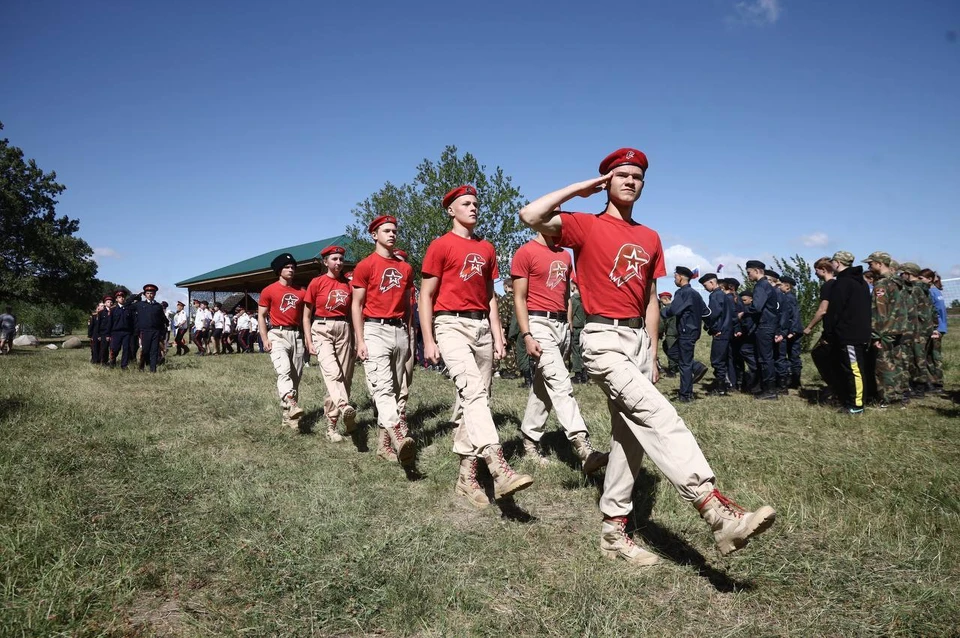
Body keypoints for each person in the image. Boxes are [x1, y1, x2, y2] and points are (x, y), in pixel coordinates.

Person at [520, 148, 775, 566]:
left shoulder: (650, 237)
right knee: (659, 415)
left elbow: (652, 298)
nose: (631, 181)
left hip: (638, 340)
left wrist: (653, 352)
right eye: (621, 175)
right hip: (602, 339)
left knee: (630, 438)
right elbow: (531, 215)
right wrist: (582, 190)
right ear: (606, 181)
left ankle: (613, 534)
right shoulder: (584, 225)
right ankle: (715, 510)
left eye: (638, 176)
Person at [420, 184, 533, 508]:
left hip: (481, 327)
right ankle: (498, 466)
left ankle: (465, 478)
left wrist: (498, 335)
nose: (473, 208)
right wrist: (428, 339)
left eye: (475, 203)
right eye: (466, 203)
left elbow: (489, 295)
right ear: (451, 210)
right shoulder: (440, 246)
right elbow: (425, 295)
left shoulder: (486, 248)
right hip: (450, 324)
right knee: (472, 392)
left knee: (476, 399)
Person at [512, 232, 608, 472]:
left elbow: (566, 293)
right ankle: (583, 447)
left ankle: (529, 441)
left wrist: (568, 326)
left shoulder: (565, 255)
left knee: (544, 388)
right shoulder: (526, 252)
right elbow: (519, 297)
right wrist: (527, 334)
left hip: (561, 327)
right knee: (561, 382)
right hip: (538, 323)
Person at [351, 215, 417, 466]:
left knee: (398, 389)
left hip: (399, 331)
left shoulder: (406, 269)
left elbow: (408, 306)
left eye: (394, 230)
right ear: (374, 235)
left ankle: (383, 445)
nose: (392, 234)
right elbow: (356, 306)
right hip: (375, 329)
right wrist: (360, 340)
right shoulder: (365, 266)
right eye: (386, 230)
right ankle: (398, 434)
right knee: (382, 387)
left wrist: (409, 336)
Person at [303, 245, 357, 441]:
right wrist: (309, 341)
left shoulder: (348, 285)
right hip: (322, 328)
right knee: (332, 372)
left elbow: (353, 314)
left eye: (341, 259)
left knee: (343, 378)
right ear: (325, 262)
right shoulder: (316, 283)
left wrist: (356, 340)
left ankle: (332, 426)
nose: (339, 262)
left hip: (344, 329)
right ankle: (343, 406)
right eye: (334, 259)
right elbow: (306, 315)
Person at [259, 253, 307, 430]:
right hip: (277, 335)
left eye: (293, 266)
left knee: (295, 378)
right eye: (287, 267)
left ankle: (289, 416)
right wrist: (265, 339)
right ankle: (291, 403)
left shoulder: (301, 292)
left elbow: (305, 318)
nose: (291, 269)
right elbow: (261, 316)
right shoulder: (269, 290)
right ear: (279, 270)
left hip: (297, 336)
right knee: (284, 371)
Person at [822, 251, 871, 414]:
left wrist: (828, 331)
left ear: (837, 263)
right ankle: (848, 398)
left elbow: (835, 310)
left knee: (854, 369)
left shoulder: (843, 283)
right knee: (850, 368)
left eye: (832, 263)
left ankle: (857, 405)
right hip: (856, 332)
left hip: (849, 334)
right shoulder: (861, 282)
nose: (831, 266)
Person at [863, 251, 908, 407]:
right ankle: (899, 394)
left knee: (884, 365)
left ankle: (888, 398)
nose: (869, 266)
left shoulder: (881, 284)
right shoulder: (898, 282)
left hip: (885, 331)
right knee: (897, 363)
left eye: (871, 263)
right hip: (899, 329)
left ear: (879, 263)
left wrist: (876, 335)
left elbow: (879, 311)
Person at [661, 266, 707, 402]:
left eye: (675, 277)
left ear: (680, 277)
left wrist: (661, 313)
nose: (674, 279)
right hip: (692, 331)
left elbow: (674, 310)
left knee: (685, 364)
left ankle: (685, 396)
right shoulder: (695, 294)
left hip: (686, 331)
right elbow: (705, 311)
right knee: (672, 351)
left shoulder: (683, 292)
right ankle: (696, 366)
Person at [900, 263, 938, 398]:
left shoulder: (914, 289)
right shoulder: (924, 288)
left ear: (908, 274)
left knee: (916, 359)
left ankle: (920, 388)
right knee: (921, 358)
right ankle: (927, 384)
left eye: (902, 273)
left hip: (917, 329)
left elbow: (910, 311)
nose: (901, 276)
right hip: (925, 327)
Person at [743, 261, 779, 400]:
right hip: (767, 324)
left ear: (757, 271)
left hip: (765, 325)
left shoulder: (761, 286)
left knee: (765, 358)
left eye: (749, 272)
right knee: (765, 357)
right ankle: (766, 387)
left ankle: (770, 390)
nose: (748, 276)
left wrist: (744, 313)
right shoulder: (766, 285)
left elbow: (757, 307)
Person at [805, 257, 838, 401]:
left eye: (816, 271)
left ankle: (834, 386)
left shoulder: (827, 286)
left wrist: (809, 327)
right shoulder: (838, 285)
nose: (816, 274)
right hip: (836, 328)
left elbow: (822, 310)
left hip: (830, 330)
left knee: (819, 354)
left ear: (823, 270)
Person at [699, 273, 733, 396]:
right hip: (726, 330)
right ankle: (725, 384)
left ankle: (721, 388)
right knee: (723, 360)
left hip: (720, 332)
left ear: (712, 283)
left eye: (705, 285)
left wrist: (712, 328)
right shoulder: (723, 295)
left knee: (717, 360)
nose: (704, 288)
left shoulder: (715, 296)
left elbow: (713, 315)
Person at [920, 268, 946, 393]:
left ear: (929, 279)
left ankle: (937, 383)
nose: (919, 281)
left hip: (936, 329)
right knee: (929, 356)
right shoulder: (931, 291)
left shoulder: (934, 292)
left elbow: (940, 312)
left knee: (934, 357)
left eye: (921, 278)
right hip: (933, 328)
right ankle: (931, 382)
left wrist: (939, 329)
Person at [132, 284, 168, 372]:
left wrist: (163, 332)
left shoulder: (158, 306)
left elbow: (163, 319)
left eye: (152, 293)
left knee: (154, 351)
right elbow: (127, 305)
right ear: (145, 294)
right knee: (145, 350)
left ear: (155, 294)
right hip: (145, 331)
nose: (150, 295)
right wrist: (134, 296)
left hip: (155, 331)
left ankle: (153, 369)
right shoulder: (139, 305)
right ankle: (141, 366)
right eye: (148, 293)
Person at [778, 276, 804, 389]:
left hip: (792, 330)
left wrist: (792, 331)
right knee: (793, 355)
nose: (779, 287)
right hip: (792, 330)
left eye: (781, 285)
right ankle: (794, 380)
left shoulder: (788, 298)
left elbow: (793, 315)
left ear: (787, 286)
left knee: (793, 356)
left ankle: (795, 381)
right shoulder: (789, 297)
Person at [737, 289, 758, 393]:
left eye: (744, 300)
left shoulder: (748, 311)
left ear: (751, 299)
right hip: (749, 339)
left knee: (752, 361)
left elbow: (747, 325)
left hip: (749, 339)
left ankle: (755, 383)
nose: (743, 303)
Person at [108, 290, 134, 369]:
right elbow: (110, 323)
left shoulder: (128, 309)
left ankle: (124, 365)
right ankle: (113, 360)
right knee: (115, 348)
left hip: (126, 332)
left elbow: (131, 321)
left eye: (123, 297)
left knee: (126, 349)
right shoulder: (113, 310)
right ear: (116, 299)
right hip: (116, 332)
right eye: (119, 297)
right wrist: (108, 334)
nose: (121, 298)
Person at [570, 275, 588, 384]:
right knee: (584, 351)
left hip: (576, 328)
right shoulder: (585, 299)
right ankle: (585, 373)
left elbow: (570, 313)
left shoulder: (573, 300)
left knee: (576, 351)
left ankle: (577, 375)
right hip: (585, 327)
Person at [657, 291, 680, 377]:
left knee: (670, 350)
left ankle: (672, 371)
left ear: (665, 299)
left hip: (671, 334)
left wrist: (659, 333)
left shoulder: (665, 310)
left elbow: (661, 325)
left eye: (662, 300)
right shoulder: (678, 307)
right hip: (681, 332)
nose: (661, 302)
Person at [96, 296, 113, 365]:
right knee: (104, 348)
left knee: (112, 348)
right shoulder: (101, 313)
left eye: (111, 302)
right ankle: (104, 362)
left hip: (112, 333)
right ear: (105, 304)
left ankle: (112, 361)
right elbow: (98, 324)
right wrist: (98, 334)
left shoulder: (114, 311)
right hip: (103, 333)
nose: (110, 303)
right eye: (108, 302)